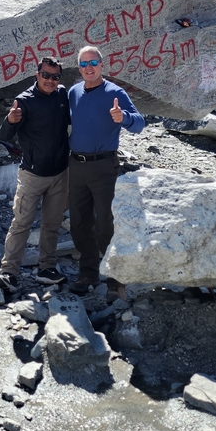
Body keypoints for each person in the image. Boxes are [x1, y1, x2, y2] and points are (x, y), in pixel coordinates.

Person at [68, 45, 145, 295]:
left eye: (93, 63)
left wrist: (123, 117)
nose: (88, 68)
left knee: (106, 224)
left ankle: (115, 279)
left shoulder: (115, 92)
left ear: (102, 65)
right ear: (78, 67)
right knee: (79, 223)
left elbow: (139, 124)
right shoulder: (73, 92)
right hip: (76, 165)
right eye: (83, 64)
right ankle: (88, 274)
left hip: (103, 165)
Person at [0, 57, 70, 293]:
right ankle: (9, 273)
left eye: (55, 77)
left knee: (52, 224)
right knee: (21, 223)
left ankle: (46, 268)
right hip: (32, 175)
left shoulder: (62, 95)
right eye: (46, 75)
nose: (50, 80)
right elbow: (4, 135)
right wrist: (9, 120)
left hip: (60, 173)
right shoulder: (24, 102)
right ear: (37, 75)